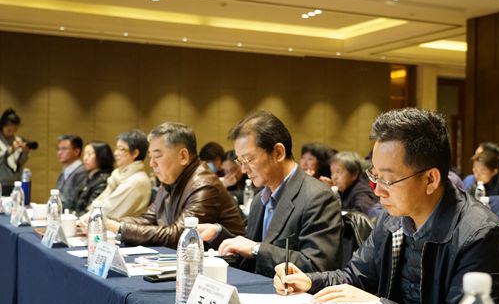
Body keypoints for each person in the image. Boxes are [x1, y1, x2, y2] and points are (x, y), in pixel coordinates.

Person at [274, 108, 499, 304]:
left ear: (430, 179)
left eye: (387, 179)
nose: (377, 190)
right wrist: (309, 281)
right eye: (374, 175)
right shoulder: (393, 216)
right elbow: (355, 278)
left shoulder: (481, 237)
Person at [199, 111, 343, 277]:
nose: (244, 169)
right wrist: (218, 234)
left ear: (278, 153)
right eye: (240, 161)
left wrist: (256, 249)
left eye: (248, 159)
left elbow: (317, 266)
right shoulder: (259, 200)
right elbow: (250, 257)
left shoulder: (318, 197)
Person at [103, 123, 245, 249]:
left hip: (229, 265)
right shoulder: (170, 181)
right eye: (150, 156)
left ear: (183, 156)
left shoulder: (204, 185)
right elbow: (148, 219)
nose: (152, 164)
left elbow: (180, 235)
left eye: (157, 156)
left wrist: (120, 228)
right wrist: (108, 222)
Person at [324, 151, 379, 216]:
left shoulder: (362, 191)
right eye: (332, 172)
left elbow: (361, 214)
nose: (334, 177)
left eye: (338, 172)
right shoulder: (343, 189)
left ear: (354, 174)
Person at [74, 141, 114, 215]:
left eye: (89, 154)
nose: (85, 158)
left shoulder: (104, 180)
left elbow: (91, 209)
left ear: (101, 156)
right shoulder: (89, 176)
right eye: (84, 154)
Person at [0, 109, 31, 196]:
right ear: (2, 126)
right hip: (1, 183)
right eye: (9, 129)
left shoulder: (17, 140)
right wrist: (10, 150)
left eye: (14, 129)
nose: (12, 132)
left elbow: (19, 163)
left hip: (16, 183)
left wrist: (25, 152)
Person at [56, 134, 87, 211]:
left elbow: (73, 202)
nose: (59, 152)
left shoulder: (82, 172)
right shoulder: (65, 170)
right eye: (58, 149)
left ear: (76, 151)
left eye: (64, 149)